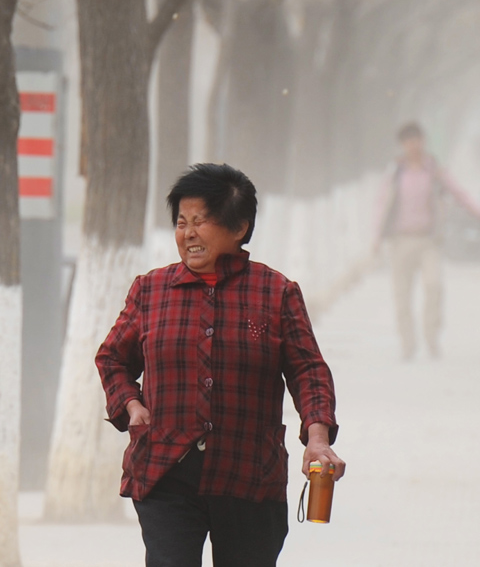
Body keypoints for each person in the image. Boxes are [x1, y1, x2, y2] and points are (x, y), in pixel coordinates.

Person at [96, 163, 344, 567]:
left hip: (248, 475)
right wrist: (131, 404)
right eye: (181, 222)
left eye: (202, 221)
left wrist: (317, 437)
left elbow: (308, 371)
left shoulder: (276, 292)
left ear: (239, 228)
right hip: (165, 470)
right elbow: (112, 359)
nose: (188, 233)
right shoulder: (151, 290)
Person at [373, 122, 480, 360]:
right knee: (402, 297)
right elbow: (381, 204)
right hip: (400, 242)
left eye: (417, 139)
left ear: (423, 141)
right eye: (408, 141)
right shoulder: (395, 172)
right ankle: (407, 345)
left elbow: (459, 193)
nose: (413, 145)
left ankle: (431, 338)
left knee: (433, 286)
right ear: (402, 145)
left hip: (428, 241)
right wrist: (376, 236)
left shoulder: (434, 170)